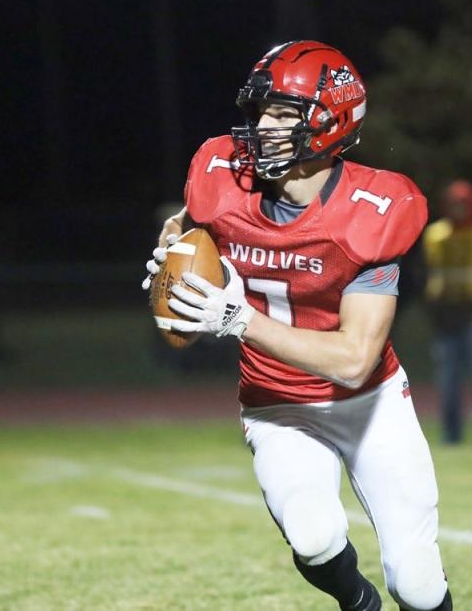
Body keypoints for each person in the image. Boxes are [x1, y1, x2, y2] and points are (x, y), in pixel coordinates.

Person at [141, 41, 452, 611]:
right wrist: (173, 249)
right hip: (275, 403)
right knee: (313, 538)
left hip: (368, 402)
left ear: (330, 123)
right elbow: (188, 221)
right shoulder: (221, 176)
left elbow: (355, 358)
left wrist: (239, 319)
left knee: (418, 583)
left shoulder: (372, 209)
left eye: (283, 114)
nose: (262, 125)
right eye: (260, 111)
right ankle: (359, 604)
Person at [420, 181, 472, 444]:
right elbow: (423, 275)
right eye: (454, 204)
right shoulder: (434, 235)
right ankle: (451, 435)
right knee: (448, 383)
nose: (458, 209)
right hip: (446, 319)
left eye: (463, 204)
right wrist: (433, 311)